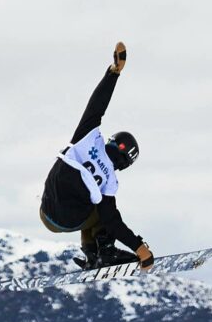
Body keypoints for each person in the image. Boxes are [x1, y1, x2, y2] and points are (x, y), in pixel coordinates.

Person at [38, 41, 153, 271]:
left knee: (88, 197)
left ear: (113, 141)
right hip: (69, 218)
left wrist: (114, 73)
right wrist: (139, 247)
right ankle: (102, 253)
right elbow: (112, 221)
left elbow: (97, 105)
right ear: (126, 163)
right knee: (101, 208)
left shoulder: (90, 137)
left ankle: (92, 255)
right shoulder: (110, 180)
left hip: (47, 210)